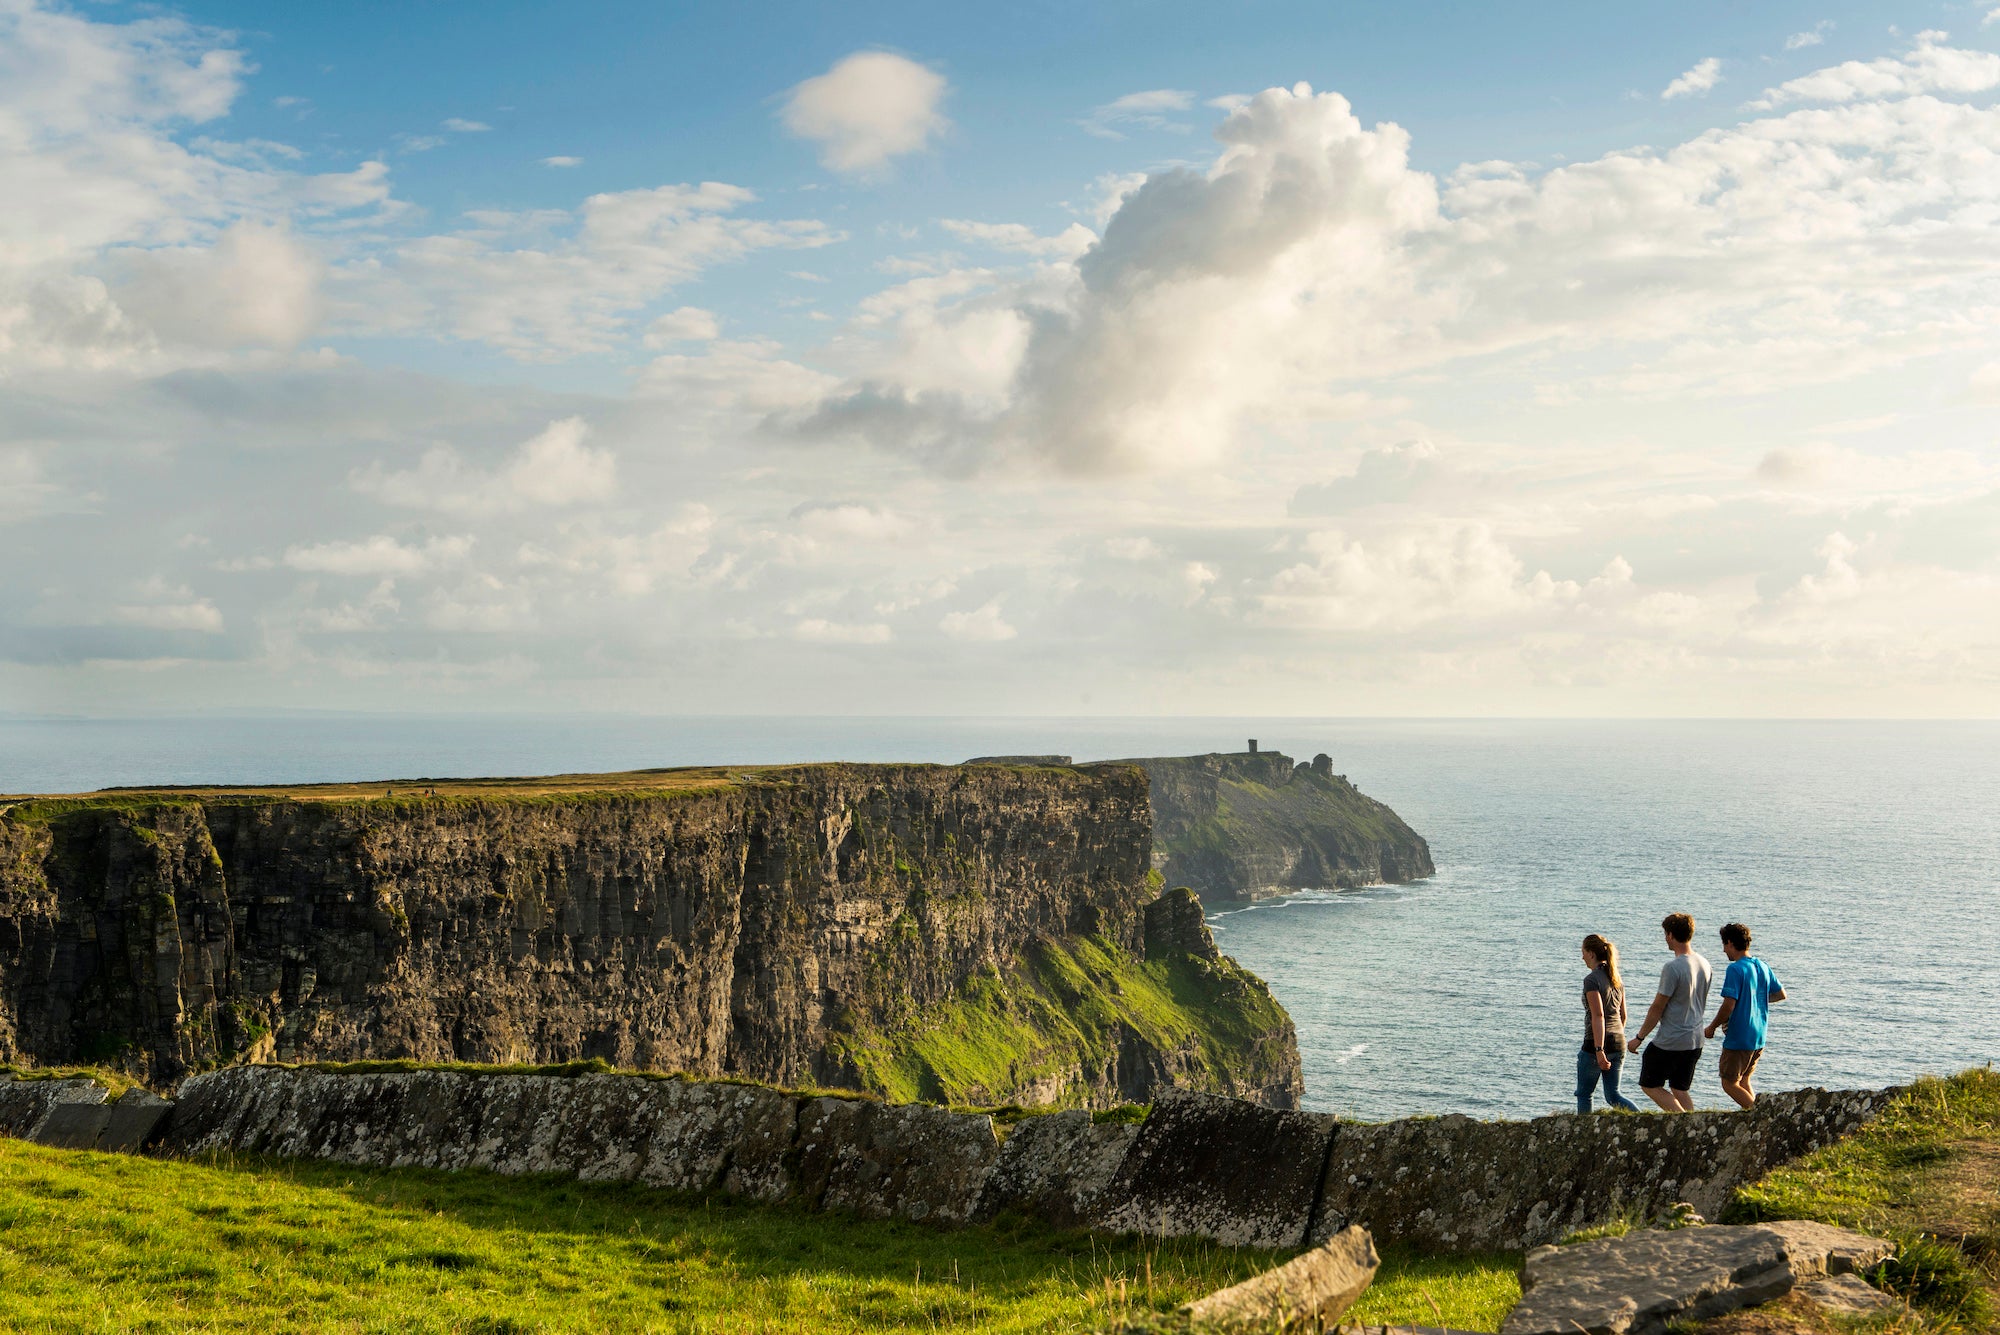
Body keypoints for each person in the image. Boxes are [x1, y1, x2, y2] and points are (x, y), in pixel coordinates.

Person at [1628, 912, 1713, 1112]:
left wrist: (1639, 1037)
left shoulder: (1673, 967)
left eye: (1666, 934)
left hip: (1672, 1038)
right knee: (1679, 1087)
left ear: (1671, 935)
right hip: (1695, 1038)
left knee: (1649, 1083)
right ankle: (1694, 1127)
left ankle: (1681, 1119)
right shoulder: (1704, 963)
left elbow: (1658, 1007)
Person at [1705, 922, 1786, 1108]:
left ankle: (1761, 1118)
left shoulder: (1736, 969)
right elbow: (1780, 994)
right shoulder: (1762, 966)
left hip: (1739, 1037)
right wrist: (1755, 1001)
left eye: (1724, 945)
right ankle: (1758, 1114)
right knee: (1744, 1081)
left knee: (1729, 1083)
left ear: (1731, 943)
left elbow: (1728, 1005)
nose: (1724, 950)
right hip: (1759, 1036)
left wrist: (1711, 1027)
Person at [1576, 933, 1638, 1113]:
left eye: (1584, 952)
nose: (1582, 957)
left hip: (1595, 1043)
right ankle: (1641, 1120)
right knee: (1613, 1095)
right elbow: (1623, 1015)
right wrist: (1615, 1040)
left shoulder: (1591, 980)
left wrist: (1599, 1050)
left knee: (1584, 1094)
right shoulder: (1616, 979)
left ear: (1592, 954)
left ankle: (1584, 1137)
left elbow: (1598, 1015)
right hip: (1618, 1041)